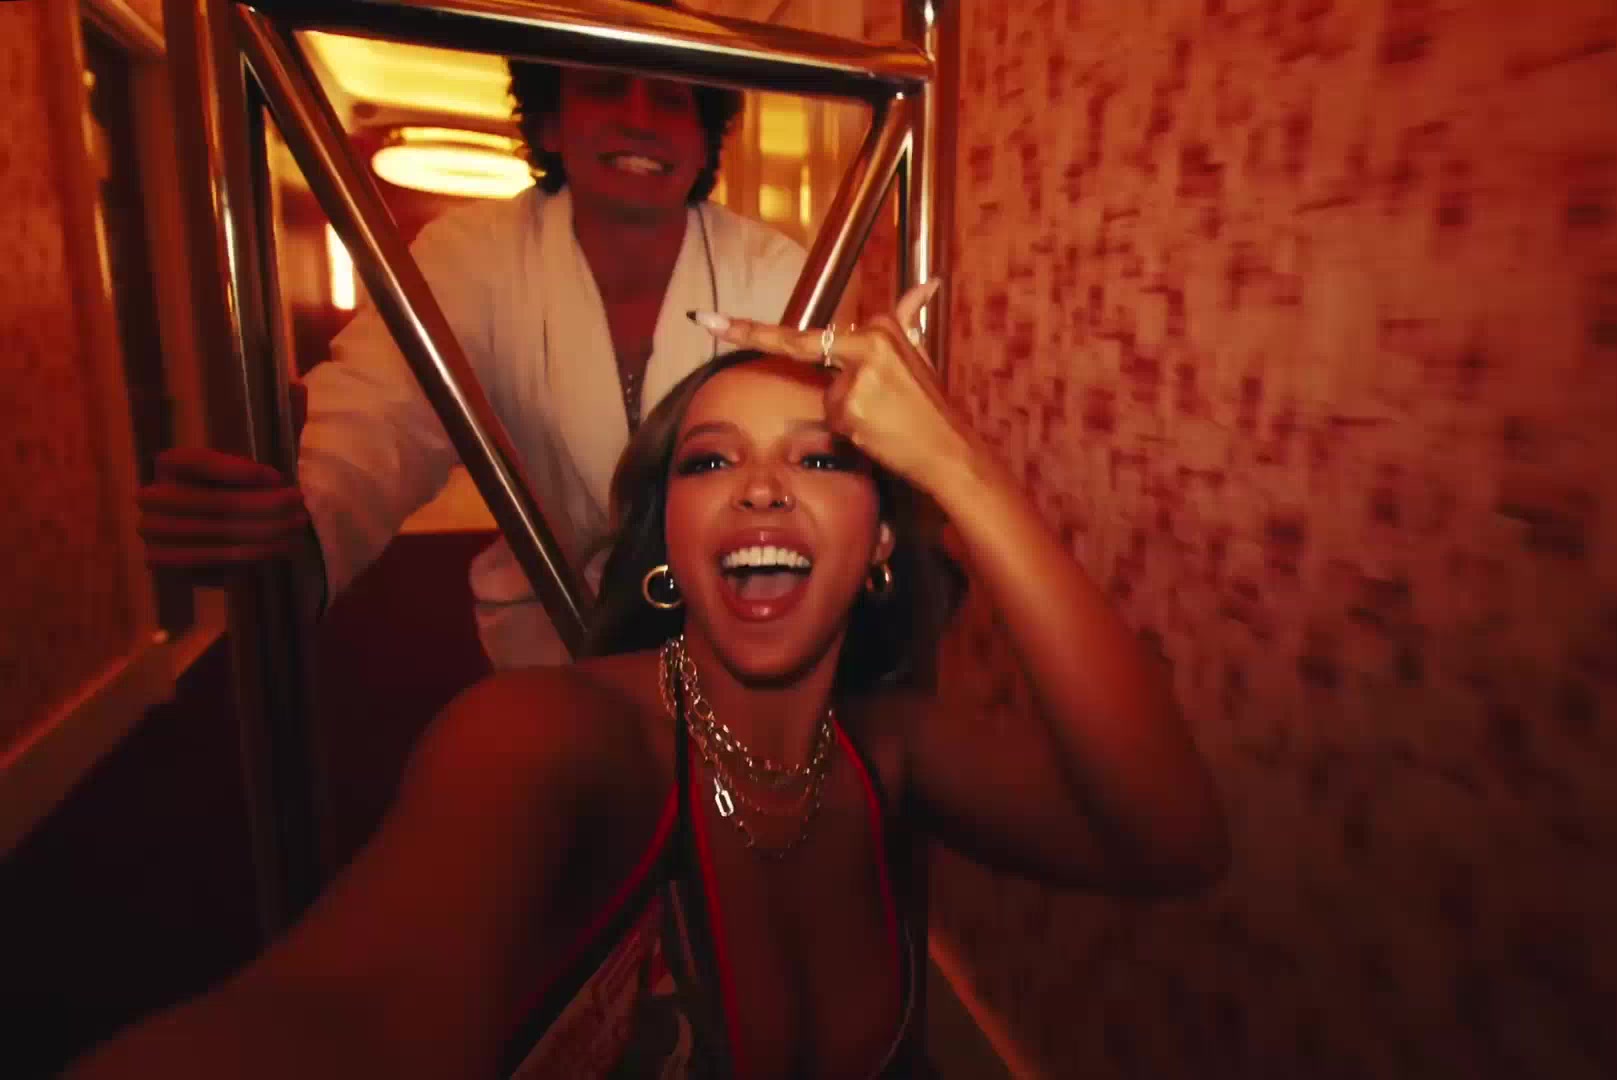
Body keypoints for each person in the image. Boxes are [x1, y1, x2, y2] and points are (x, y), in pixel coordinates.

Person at [65, 284, 1230, 1079]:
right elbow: (335, 1019)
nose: (762, 487)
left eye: (821, 459)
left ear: (880, 546)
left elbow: (1170, 839)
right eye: (712, 459)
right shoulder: (548, 739)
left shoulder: (893, 746)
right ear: (669, 538)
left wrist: (965, 474)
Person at [137, 0, 808, 669]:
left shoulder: (778, 272)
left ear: (704, 138)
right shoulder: (470, 256)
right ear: (550, 122)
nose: (640, 119)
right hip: (549, 641)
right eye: (604, 88)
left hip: (740, 635)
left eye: (671, 99)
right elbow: (379, 413)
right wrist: (288, 519)